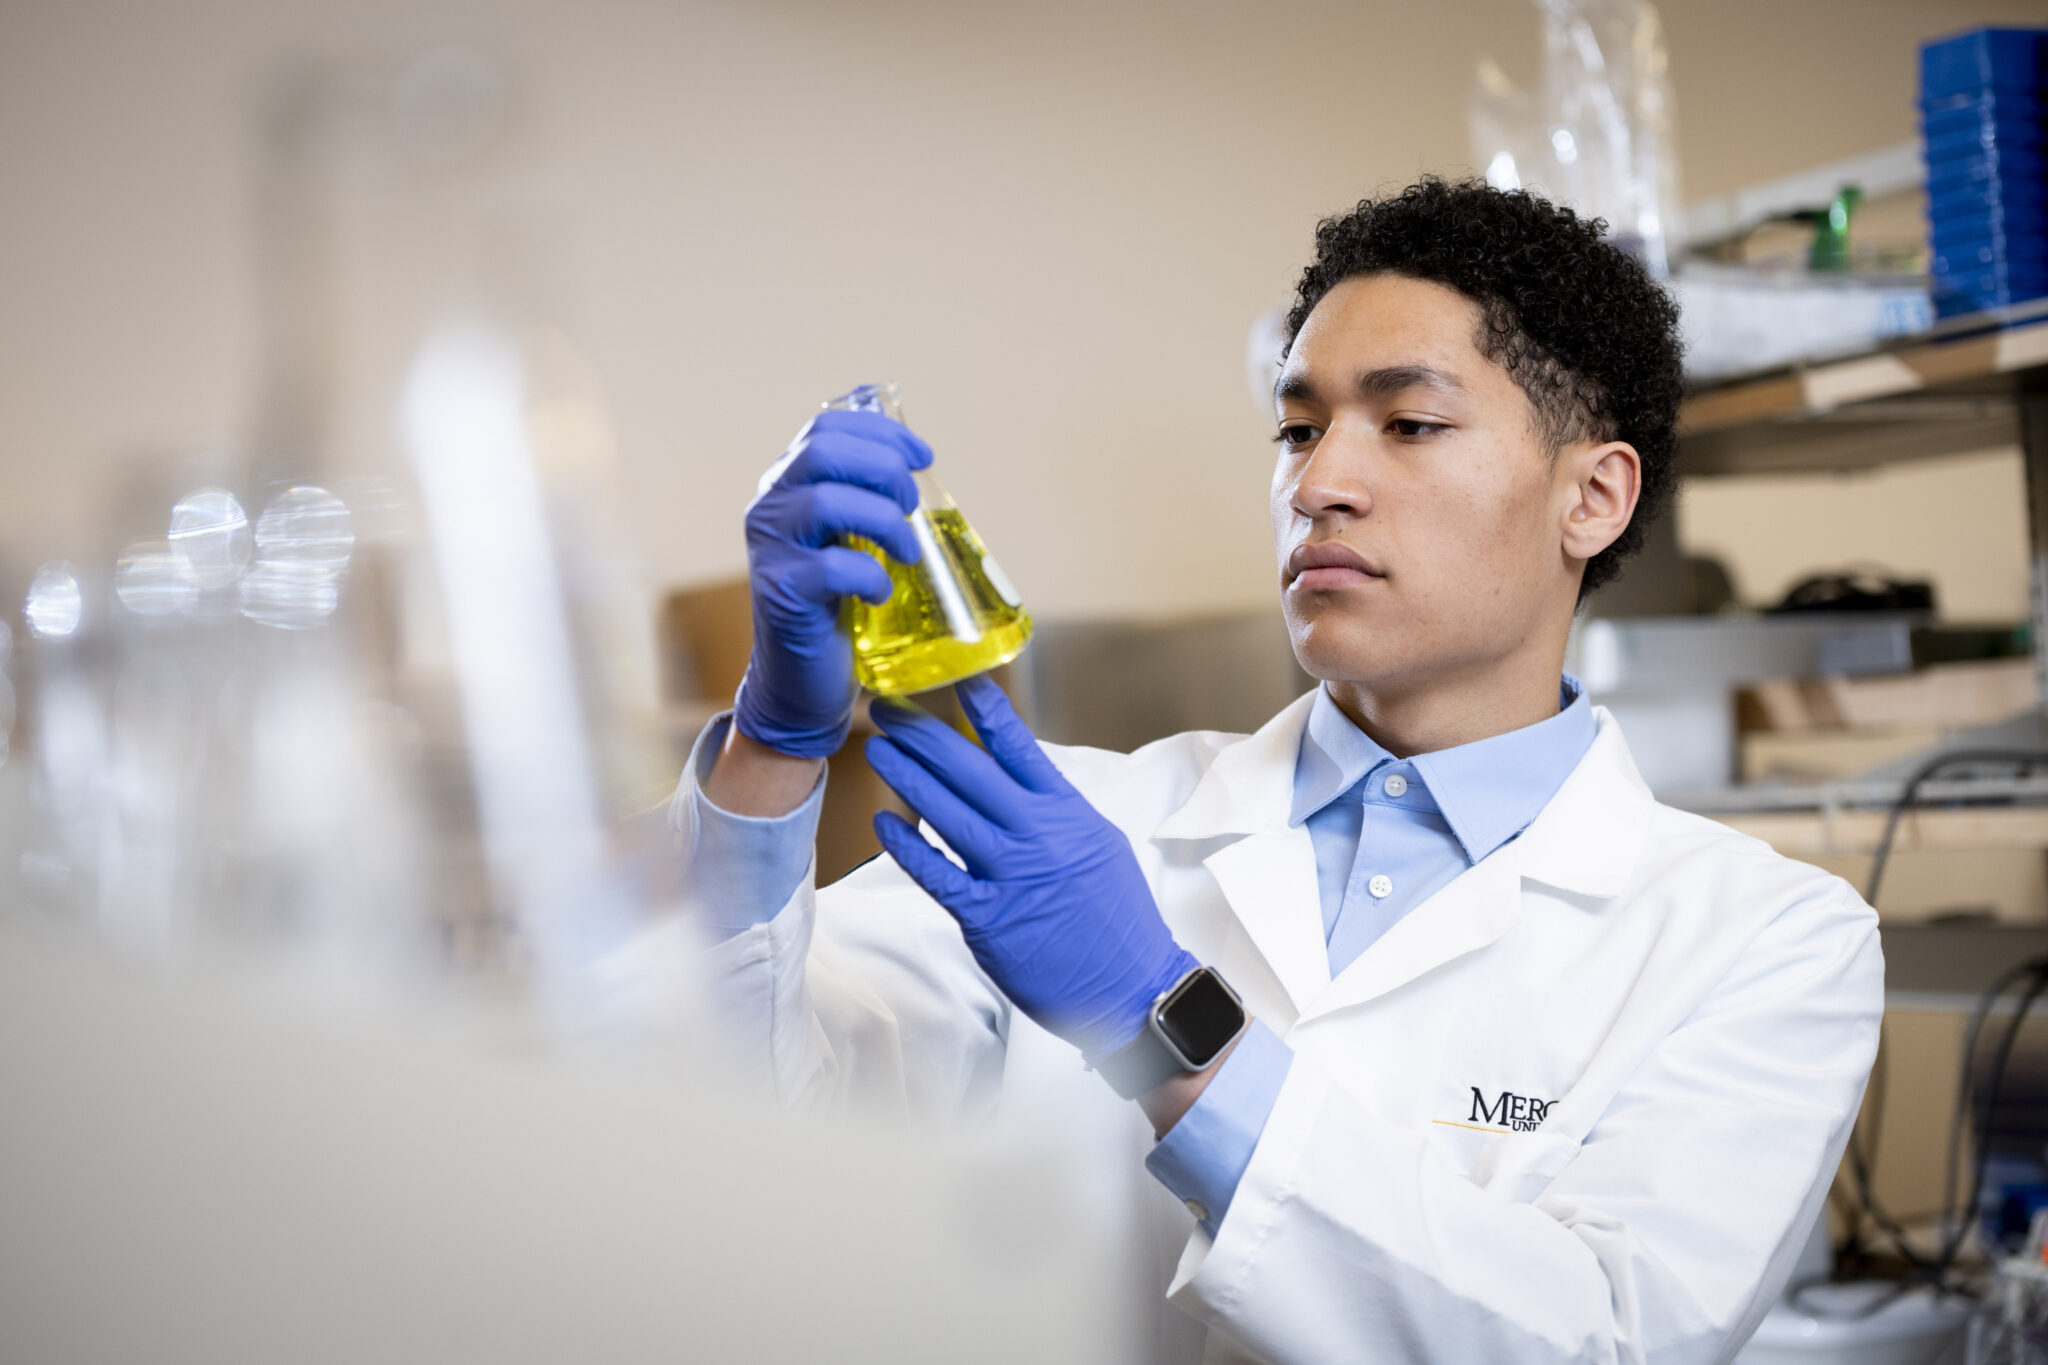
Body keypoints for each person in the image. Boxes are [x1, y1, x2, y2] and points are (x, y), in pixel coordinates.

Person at [663, 178, 1883, 1364]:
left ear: (1592, 497)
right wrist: (772, 751)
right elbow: (716, 1142)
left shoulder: (1761, 940)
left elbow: (1602, 1339)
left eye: (1406, 424)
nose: (1317, 484)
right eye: (1298, 428)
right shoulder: (1076, 829)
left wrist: (1165, 1028)